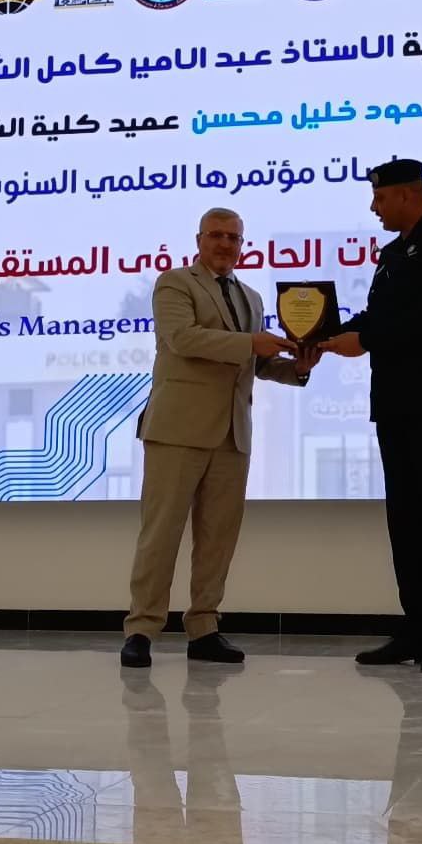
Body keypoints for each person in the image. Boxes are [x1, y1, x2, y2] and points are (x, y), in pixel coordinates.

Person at [121, 207, 317, 668]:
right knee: (160, 535)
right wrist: (250, 343)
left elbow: (258, 364)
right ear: (199, 240)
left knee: (218, 539)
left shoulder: (252, 297)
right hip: (177, 429)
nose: (226, 244)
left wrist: (298, 368)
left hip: (233, 432)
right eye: (217, 235)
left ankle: (204, 628)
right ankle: (141, 630)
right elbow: (183, 339)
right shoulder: (174, 283)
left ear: (242, 245)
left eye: (234, 237)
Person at [320, 159, 422, 673]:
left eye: (381, 197)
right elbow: (381, 316)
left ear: (409, 194)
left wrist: (365, 339)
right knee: (406, 523)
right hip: (395, 404)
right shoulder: (391, 254)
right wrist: (323, 335)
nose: (374, 207)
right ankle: (418, 629)